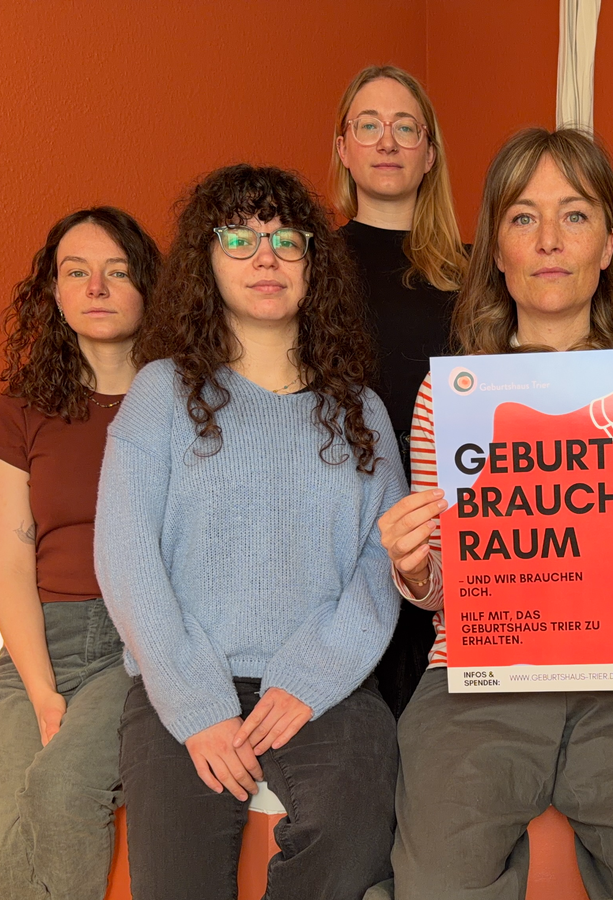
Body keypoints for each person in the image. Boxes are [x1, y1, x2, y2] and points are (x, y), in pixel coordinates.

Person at [378, 129, 613, 900]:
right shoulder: (449, 398)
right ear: (496, 252)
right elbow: (444, 593)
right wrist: (414, 566)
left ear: (608, 245)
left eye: (574, 215)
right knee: (435, 884)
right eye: (523, 217)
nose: (548, 240)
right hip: (478, 679)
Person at [94, 164, 405, 900]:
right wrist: (194, 703)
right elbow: (125, 555)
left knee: (352, 839)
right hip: (184, 674)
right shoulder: (162, 392)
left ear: (313, 264)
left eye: (286, 240)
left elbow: (382, 562)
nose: (266, 257)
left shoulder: (361, 410)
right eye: (239, 238)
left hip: (324, 686)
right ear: (206, 260)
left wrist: (313, 678)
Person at [0, 208, 160, 900]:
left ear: (147, 286)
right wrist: (41, 692)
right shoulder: (20, 412)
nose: (96, 287)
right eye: (77, 272)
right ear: (56, 292)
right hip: (40, 642)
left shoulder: (185, 404)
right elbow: (10, 567)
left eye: (117, 271)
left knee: (62, 790)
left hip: (138, 643)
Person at [333, 64, 469, 718]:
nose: (387, 141)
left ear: (429, 153)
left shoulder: (476, 270)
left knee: (434, 724)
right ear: (343, 148)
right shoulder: (306, 267)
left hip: (452, 524)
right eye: (369, 125)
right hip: (346, 524)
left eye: (405, 127)